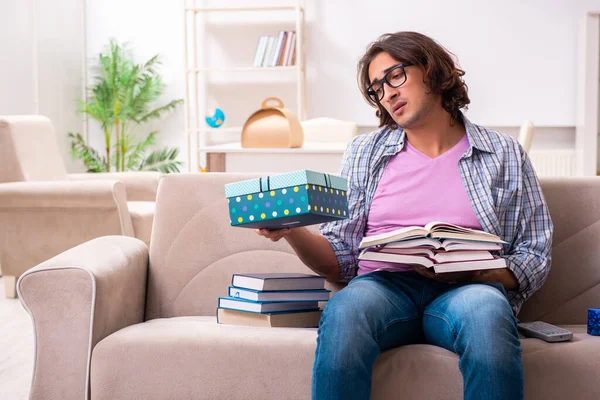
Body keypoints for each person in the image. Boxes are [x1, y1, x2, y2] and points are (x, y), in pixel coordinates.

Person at [256, 31, 553, 400]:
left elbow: (534, 254)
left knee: (487, 314)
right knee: (347, 311)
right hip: (383, 289)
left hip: (468, 290)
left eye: (395, 76)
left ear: (431, 70)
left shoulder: (503, 153)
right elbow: (341, 259)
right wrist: (292, 230)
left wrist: (475, 271)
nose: (388, 93)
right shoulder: (364, 152)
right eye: (377, 88)